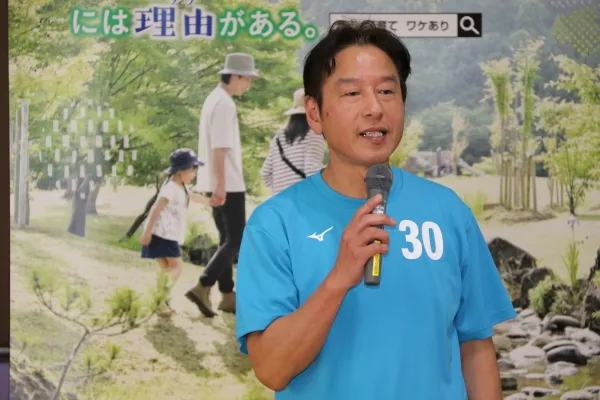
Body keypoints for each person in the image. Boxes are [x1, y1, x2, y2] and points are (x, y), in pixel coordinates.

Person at [235, 20, 516, 399]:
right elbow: (271, 370)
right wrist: (338, 279)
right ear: (314, 113)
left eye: (387, 91)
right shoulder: (274, 224)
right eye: (352, 93)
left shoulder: (448, 211)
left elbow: (476, 348)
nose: (374, 108)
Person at [186, 53, 260, 318]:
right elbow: (220, 147)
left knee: (226, 239)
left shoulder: (213, 99)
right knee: (236, 239)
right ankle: (203, 286)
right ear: (235, 76)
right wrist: (221, 185)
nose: (248, 85)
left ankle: (228, 296)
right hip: (227, 183)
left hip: (216, 180)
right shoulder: (224, 104)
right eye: (247, 79)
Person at [140, 148, 209, 315]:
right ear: (180, 171)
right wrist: (147, 232)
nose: (194, 174)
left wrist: (212, 202)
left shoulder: (181, 187)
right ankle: (160, 298)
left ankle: (160, 301)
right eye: (192, 170)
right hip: (162, 234)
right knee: (176, 266)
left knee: (166, 268)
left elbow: (192, 197)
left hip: (165, 235)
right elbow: (156, 209)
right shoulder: (170, 188)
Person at [260, 88, 326, 194]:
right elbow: (311, 170)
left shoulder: (279, 136)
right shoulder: (314, 134)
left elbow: (265, 173)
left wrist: (282, 189)